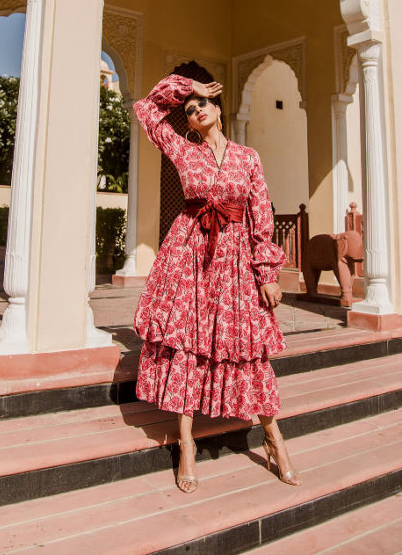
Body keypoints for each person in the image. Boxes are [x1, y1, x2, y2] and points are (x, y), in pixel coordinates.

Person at [133, 72, 301, 493]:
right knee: (187, 344)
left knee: (249, 346)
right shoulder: (182, 150)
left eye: (202, 103)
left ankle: (274, 436)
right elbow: (148, 111)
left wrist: (266, 272)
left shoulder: (248, 157)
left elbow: (261, 214)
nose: (196, 110)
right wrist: (186, 87)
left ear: (218, 110)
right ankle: (186, 443)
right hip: (189, 257)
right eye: (189, 110)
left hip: (236, 263)